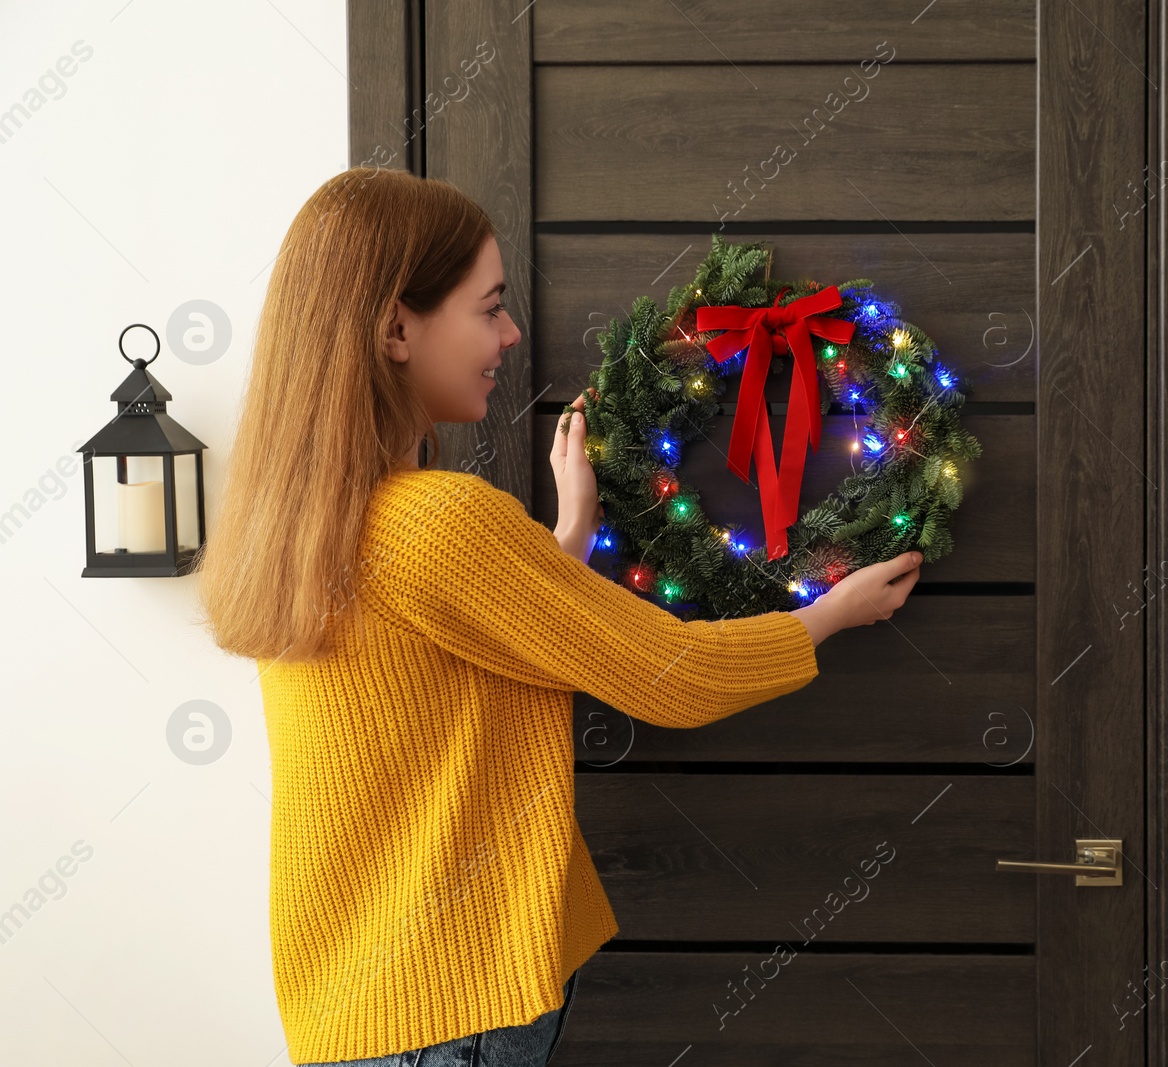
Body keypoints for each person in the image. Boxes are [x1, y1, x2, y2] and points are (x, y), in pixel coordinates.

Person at [195, 166, 922, 1067]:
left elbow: (467, 647)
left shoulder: (299, 524)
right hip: (448, 1012)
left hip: (362, 1005)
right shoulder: (438, 521)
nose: (511, 333)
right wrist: (831, 613)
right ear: (394, 327)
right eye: (488, 306)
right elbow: (677, 677)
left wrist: (567, 532)